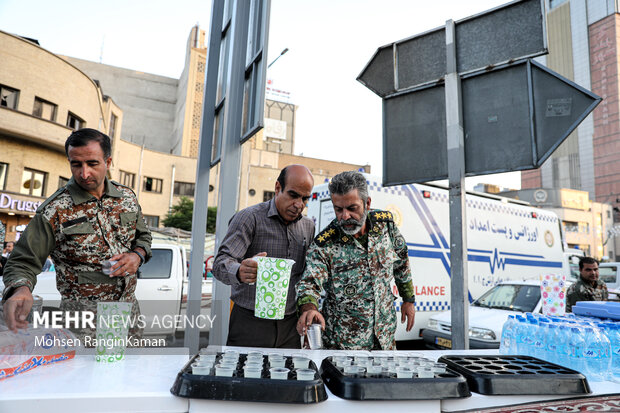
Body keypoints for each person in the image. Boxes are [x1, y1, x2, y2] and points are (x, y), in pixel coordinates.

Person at [2, 128, 152, 340]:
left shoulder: (126, 197)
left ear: (108, 163)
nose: (84, 173)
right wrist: (20, 289)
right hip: (83, 326)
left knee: (130, 371)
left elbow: (143, 237)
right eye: (76, 164)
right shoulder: (55, 209)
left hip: (128, 317)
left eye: (92, 163)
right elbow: (22, 261)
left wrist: (137, 255)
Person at [296, 171, 415, 350]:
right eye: (338, 209)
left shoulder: (385, 226)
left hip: (384, 339)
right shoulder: (325, 244)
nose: (345, 216)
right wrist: (309, 309)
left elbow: (402, 262)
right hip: (344, 345)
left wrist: (408, 299)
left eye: (352, 208)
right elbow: (309, 284)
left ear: (367, 203)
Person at [212, 165, 314, 348]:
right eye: (293, 195)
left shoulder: (308, 227)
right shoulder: (248, 218)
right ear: (277, 188)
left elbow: (309, 275)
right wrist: (239, 271)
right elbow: (220, 263)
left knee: (287, 375)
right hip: (250, 323)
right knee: (245, 375)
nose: (299, 204)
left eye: (305, 199)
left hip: (291, 325)